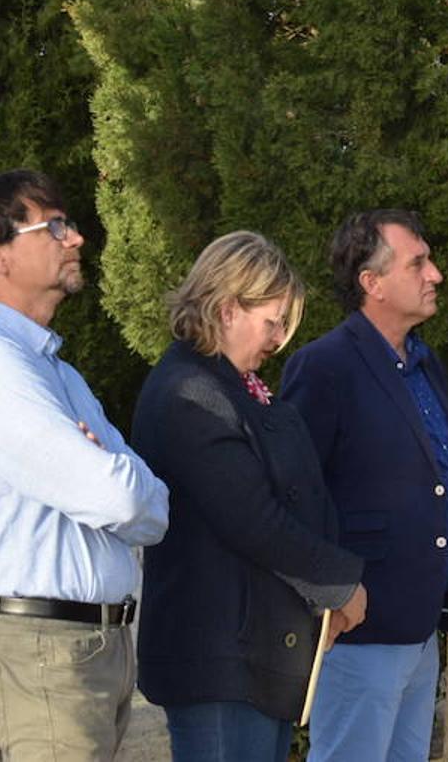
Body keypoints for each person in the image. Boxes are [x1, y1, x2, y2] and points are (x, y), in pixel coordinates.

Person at [0, 170, 169, 760]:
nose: (76, 238)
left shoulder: (57, 373)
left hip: (89, 643)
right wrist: (112, 471)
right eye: (54, 226)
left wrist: (109, 468)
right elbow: (124, 500)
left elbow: (153, 514)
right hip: (42, 645)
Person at [131, 231, 368, 761]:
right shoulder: (189, 391)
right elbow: (252, 519)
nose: (279, 338)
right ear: (228, 307)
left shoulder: (236, 389)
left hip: (250, 658)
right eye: (273, 321)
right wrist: (336, 584)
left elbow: (303, 495)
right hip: (217, 661)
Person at [280, 209, 448, 762]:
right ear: (371, 283)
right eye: (418, 263)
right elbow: (292, 493)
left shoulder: (425, 365)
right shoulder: (324, 366)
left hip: (420, 627)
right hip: (360, 628)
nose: (436, 274)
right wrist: (330, 593)